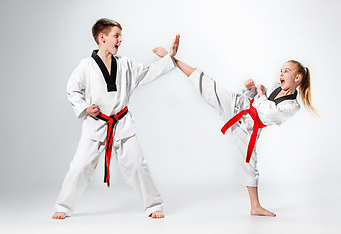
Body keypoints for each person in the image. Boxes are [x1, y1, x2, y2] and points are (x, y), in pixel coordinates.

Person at [153, 47, 317, 217]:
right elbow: (258, 100)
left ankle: (255, 207)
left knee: (249, 164)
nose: (281, 74)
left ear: (297, 78)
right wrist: (251, 90)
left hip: (249, 128)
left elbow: (268, 112)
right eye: (281, 70)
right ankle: (173, 60)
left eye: (286, 71)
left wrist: (260, 94)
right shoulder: (276, 86)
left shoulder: (292, 105)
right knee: (209, 85)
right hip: (240, 106)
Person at [52, 18, 180, 220]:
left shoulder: (125, 64)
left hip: (122, 123)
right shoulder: (86, 66)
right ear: (102, 38)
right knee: (80, 166)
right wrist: (85, 107)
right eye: (117, 36)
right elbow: (73, 91)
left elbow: (149, 72)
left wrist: (170, 57)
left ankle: (153, 205)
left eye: (121, 36)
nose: (121, 40)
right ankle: (63, 206)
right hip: (96, 124)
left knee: (137, 165)